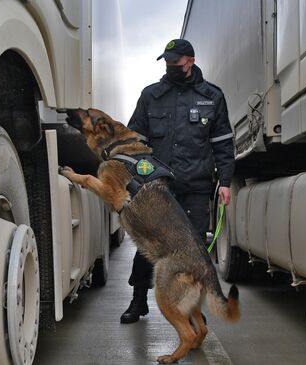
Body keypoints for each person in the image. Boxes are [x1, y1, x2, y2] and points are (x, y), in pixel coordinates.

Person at [121, 39, 235, 323]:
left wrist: (225, 182)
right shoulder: (151, 96)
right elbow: (135, 143)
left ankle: (192, 310)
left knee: (193, 250)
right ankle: (138, 301)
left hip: (196, 186)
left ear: (190, 61)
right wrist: (140, 180)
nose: (171, 67)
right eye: (168, 62)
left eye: (176, 62)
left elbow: (223, 144)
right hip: (158, 190)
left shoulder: (212, 97)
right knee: (148, 245)